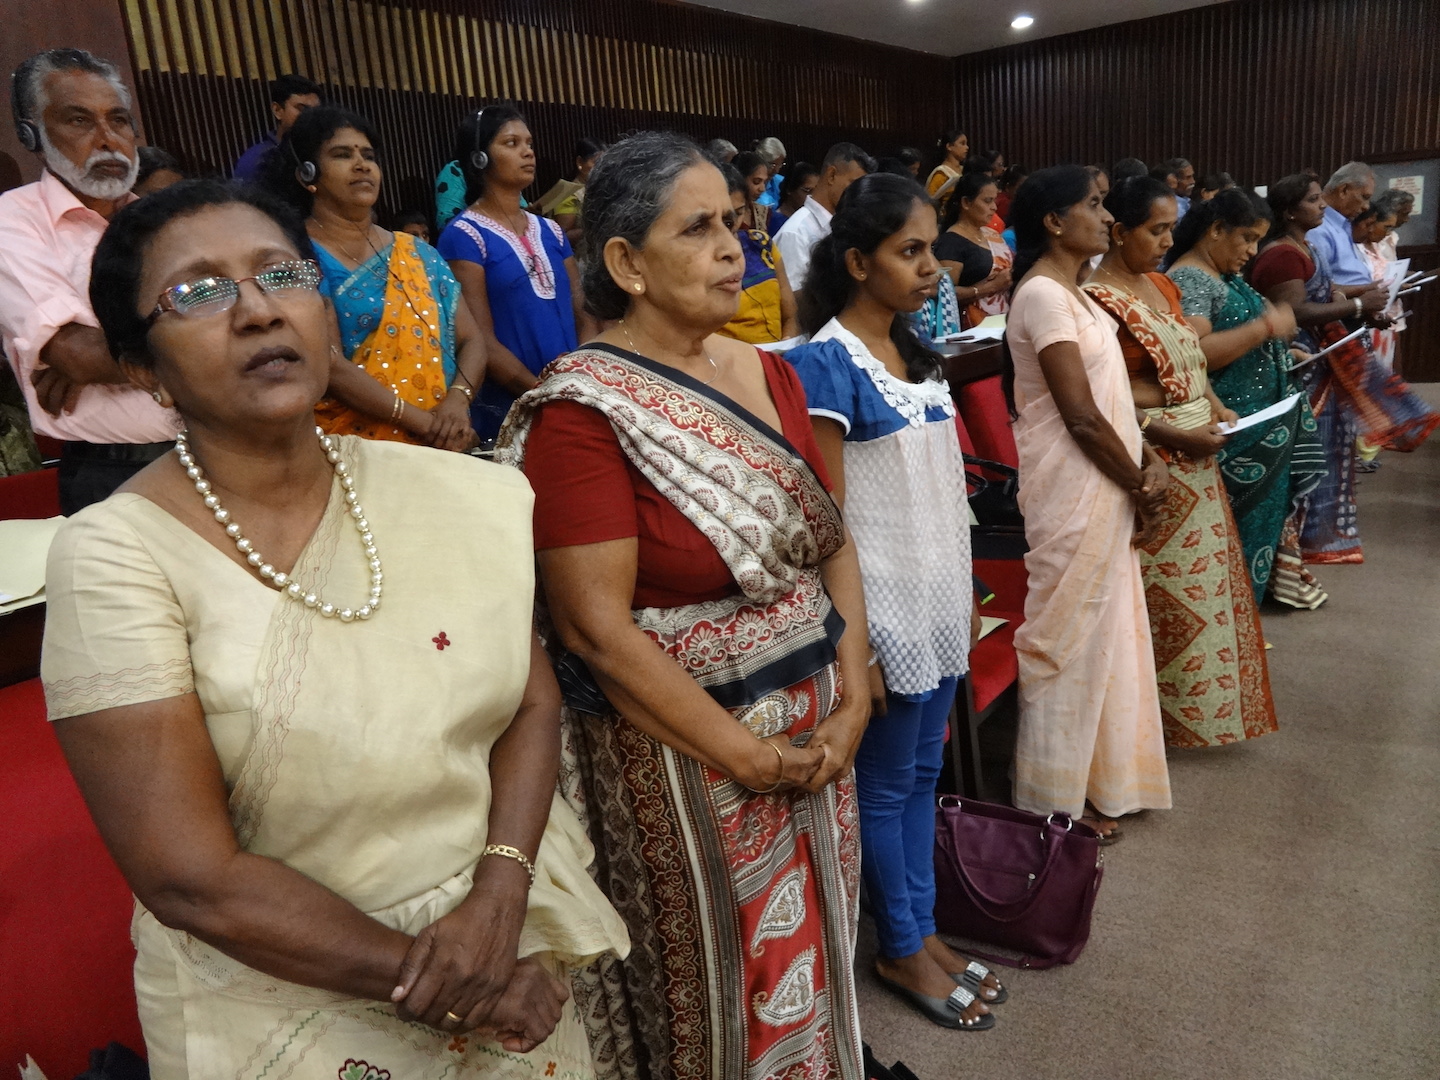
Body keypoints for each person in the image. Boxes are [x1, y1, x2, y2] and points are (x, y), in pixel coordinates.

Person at [47, 177, 629, 1077]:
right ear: (141, 369)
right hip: (283, 994)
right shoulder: (116, 556)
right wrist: (452, 980)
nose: (256, 311)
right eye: (198, 293)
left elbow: (531, 704)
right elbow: (189, 878)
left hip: (495, 930)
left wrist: (504, 888)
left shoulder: (459, 492)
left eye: (282, 274)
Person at [496, 131, 871, 1079]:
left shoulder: (770, 373)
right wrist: (748, 755)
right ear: (624, 262)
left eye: (735, 226)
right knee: (720, 984)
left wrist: (857, 697)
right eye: (697, 229)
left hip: (819, 732)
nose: (732, 252)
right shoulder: (584, 413)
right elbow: (594, 630)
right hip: (688, 759)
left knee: (820, 944)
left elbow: (832, 542)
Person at [788, 172, 1004, 1032]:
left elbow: (939, 490)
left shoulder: (915, 356)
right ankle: (901, 946)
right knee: (883, 787)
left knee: (923, 774)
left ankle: (922, 929)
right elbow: (830, 520)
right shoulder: (827, 363)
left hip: (940, 598)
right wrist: (856, 643)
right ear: (855, 261)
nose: (930, 268)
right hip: (883, 613)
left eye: (931, 251)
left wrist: (965, 598)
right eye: (908, 252)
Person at [1004, 165, 1172, 836]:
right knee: (1066, 639)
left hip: (1105, 477)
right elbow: (1077, 414)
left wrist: (1149, 455)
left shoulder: (1078, 294)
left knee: (1106, 633)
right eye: (1095, 206)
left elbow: (1114, 405)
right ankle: (1050, 802)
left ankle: (1101, 784)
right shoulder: (1042, 295)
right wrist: (1137, 479)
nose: (1107, 218)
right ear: (1053, 221)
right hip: (1073, 485)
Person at [1084, 176, 1277, 747]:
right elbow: (1102, 398)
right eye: (1157, 229)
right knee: (1159, 602)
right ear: (1119, 233)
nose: (1169, 240)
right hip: (1153, 459)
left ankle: (1195, 720)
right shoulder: (1097, 300)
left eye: (1171, 227)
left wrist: (1216, 411)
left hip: (1197, 454)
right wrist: (1169, 432)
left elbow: (1192, 365)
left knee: (1204, 598)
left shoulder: (1163, 287)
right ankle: (1149, 727)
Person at [0, 47, 177, 514]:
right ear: (31, 134)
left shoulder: (164, 222)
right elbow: (78, 353)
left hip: (213, 454)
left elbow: (225, 318)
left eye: (118, 120)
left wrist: (115, 357)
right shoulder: (12, 222)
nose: (107, 140)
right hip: (113, 477)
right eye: (79, 121)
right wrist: (204, 360)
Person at [263, 106, 482, 451]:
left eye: (368, 155)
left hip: (442, 440)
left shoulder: (418, 252)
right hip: (355, 451)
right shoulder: (294, 256)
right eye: (342, 155)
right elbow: (330, 366)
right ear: (307, 174)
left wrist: (458, 400)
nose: (362, 165)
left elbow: (472, 340)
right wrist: (427, 424)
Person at [1249, 172, 1437, 565]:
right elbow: (1295, 311)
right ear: (1289, 211)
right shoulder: (1284, 253)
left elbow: (1324, 291)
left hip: (1321, 356)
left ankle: (1314, 540)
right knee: (1310, 452)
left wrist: (1366, 310)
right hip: (1302, 361)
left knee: (1331, 447)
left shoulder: (1302, 246)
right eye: (1314, 200)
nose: (1322, 206)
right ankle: (1293, 543)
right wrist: (1356, 307)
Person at [1165, 187, 1326, 608]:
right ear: (1216, 230)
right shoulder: (1191, 278)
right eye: (1247, 239)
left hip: (1258, 424)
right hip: (1235, 429)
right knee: (1234, 538)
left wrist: (1275, 352)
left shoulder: (1220, 275)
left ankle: (1244, 623)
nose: (1253, 252)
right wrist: (1265, 331)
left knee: (1253, 535)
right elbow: (1192, 354)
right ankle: (1231, 623)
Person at [438, 106, 595, 444]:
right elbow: (481, 340)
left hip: (574, 395)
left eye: (529, 143)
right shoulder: (463, 235)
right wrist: (543, 392)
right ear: (479, 158)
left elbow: (581, 310)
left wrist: (580, 381)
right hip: (512, 404)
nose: (527, 151)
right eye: (511, 143)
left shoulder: (552, 231)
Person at [774, 141, 874, 293]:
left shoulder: (846, 225)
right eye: (853, 184)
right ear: (832, 175)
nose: (857, 193)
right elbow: (794, 301)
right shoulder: (795, 233)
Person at [717, 162, 798, 344]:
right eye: (722, 217)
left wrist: (786, 344)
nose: (731, 224)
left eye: (738, 213)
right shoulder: (701, 261)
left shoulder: (762, 244)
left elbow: (791, 316)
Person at [934, 171, 1013, 326]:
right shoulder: (951, 242)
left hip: (1003, 319)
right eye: (987, 201)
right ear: (966, 203)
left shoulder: (992, 234)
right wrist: (989, 287)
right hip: (971, 325)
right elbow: (943, 292)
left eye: (994, 201)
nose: (994, 207)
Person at [232, 73, 320, 183]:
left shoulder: (322, 155)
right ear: (277, 110)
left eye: (315, 111)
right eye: (301, 109)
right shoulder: (257, 159)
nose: (309, 116)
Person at [1352, 192, 1404, 373]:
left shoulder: (1376, 246)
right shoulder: (1355, 249)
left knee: (1386, 370)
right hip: (1367, 317)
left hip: (1386, 313)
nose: (1388, 233)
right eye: (1386, 227)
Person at [1305, 161, 1376, 288]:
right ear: (1343, 190)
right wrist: (1361, 298)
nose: (1367, 206)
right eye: (1364, 197)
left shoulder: (1342, 224)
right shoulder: (1319, 228)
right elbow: (1319, 287)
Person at [548, 137, 604, 250]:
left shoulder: (602, 187)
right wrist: (599, 229)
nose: (601, 168)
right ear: (579, 163)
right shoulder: (568, 193)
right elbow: (563, 236)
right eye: (596, 162)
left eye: (604, 163)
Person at [733, 149, 784, 234]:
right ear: (740, 179)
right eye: (756, 182)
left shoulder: (762, 213)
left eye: (765, 182)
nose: (762, 189)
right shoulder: (723, 213)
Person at [925, 128, 968, 202]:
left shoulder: (965, 170)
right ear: (949, 146)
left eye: (966, 144)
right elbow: (929, 201)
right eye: (962, 143)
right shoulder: (941, 173)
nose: (967, 147)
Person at [774, 160, 820, 226]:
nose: (812, 197)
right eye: (807, 191)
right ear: (789, 189)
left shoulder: (811, 220)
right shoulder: (776, 222)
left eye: (816, 191)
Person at [755, 135, 787, 207]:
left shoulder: (782, 181)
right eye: (772, 165)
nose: (776, 170)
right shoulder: (751, 185)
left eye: (780, 165)